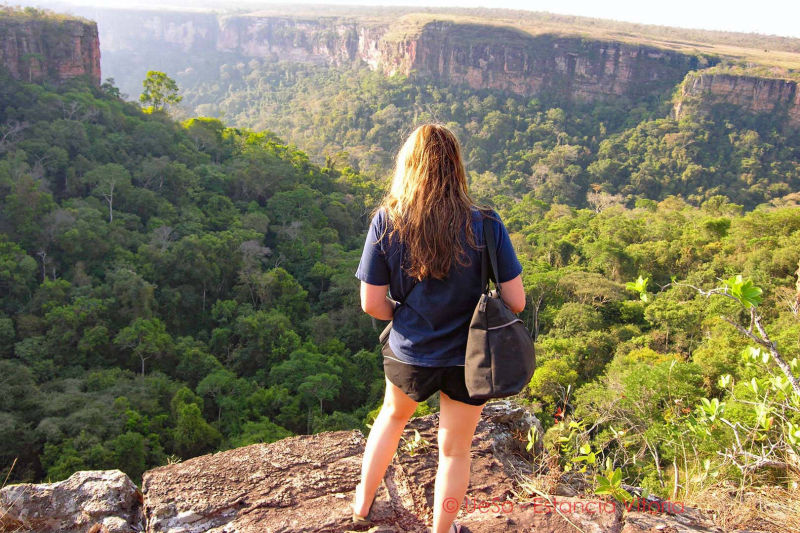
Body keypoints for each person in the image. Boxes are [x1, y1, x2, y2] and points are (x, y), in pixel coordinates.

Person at [350, 123, 525, 533]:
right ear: (456, 168)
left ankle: (361, 508)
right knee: (455, 451)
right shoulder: (486, 224)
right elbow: (515, 301)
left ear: (407, 166)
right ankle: (441, 530)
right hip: (472, 358)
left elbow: (372, 304)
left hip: (411, 351)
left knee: (391, 419)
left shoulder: (387, 221)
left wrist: (407, 316)